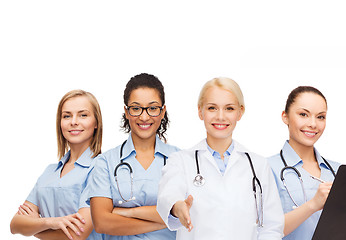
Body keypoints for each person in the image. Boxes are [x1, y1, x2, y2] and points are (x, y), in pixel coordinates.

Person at [157, 77, 284, 239]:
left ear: (240, 112)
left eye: (229, 109)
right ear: (200, 111)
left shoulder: (258, 165)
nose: (220, 116)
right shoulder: (180, 161)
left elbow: (272, 226)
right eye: (212, 108)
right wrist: (178, 207)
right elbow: (168, 195)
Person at [267, 86, 346, 240]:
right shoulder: (265, 168)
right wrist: (312, 205)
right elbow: (262, 231)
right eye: (303, 114)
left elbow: (343, 234)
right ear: (285, 117)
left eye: (320, 117)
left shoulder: (339, 172)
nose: (313, 124)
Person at [88, 73, 179, 240]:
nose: (144, 117)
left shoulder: (180, 160)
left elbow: (189, 213)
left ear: (162, 111)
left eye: (152, 108)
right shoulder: (105, 162)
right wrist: (167, 221)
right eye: (136, 108)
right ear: (126, 112)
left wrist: (127, 212)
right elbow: (102, 222)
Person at [10, 89, 104, 240]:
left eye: (83, 115)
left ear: (96, 123)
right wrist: (50, 222)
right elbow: (15, 225)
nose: (73, 121)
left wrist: (34, 228)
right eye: (67, 116)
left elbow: (77, 233)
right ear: (60, 123)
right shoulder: (49, 172)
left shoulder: (101, 168)